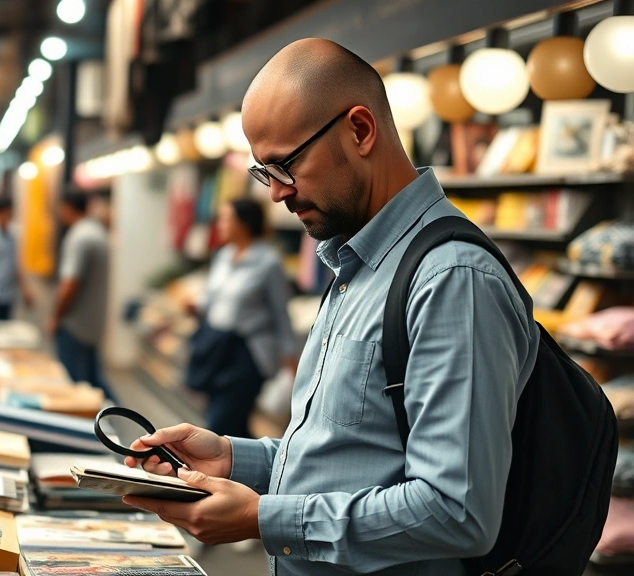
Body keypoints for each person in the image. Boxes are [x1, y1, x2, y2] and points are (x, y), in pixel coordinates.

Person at [122, 38, 539, 576]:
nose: (277, 193)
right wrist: (233, 457)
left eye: (286, 165)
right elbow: (347, 456)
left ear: (360, 131)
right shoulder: (354, 264)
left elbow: (456, 510)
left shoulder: (452, 279)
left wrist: (265, 520)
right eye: (264, 172)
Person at [186, 198, 297, 439]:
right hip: (217, 348)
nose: (220, 224)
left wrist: (290, 360)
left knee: (221, 422)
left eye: (227, 218)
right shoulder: (223, 256)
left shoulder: (268, 263)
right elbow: (212, 296)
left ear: (244, 223)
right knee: (231, 425)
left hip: (247, 353)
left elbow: (281, 313)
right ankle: (254, 470)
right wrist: (196, 306)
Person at [48, 191, 117, 402]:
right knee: (94, 379)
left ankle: (107, 424)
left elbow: (70, 283)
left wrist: (56, 316)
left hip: (75, 325)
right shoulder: (98, 233)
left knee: (76, 387)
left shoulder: (79, 237)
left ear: (68, 207)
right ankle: (121, 417)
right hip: (92, 324)